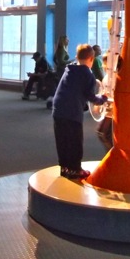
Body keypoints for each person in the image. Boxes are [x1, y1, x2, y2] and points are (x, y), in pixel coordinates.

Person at [52, 43, 107, 180]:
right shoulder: (87, 74)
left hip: (58, 110)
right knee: (75, 141)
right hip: (72, 112)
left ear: (76, 57)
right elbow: (91, 97)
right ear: (91, 59)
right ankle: (75, 169)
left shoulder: (69, 69)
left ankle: (64, 168)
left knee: (62, 140)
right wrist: (103, 99)